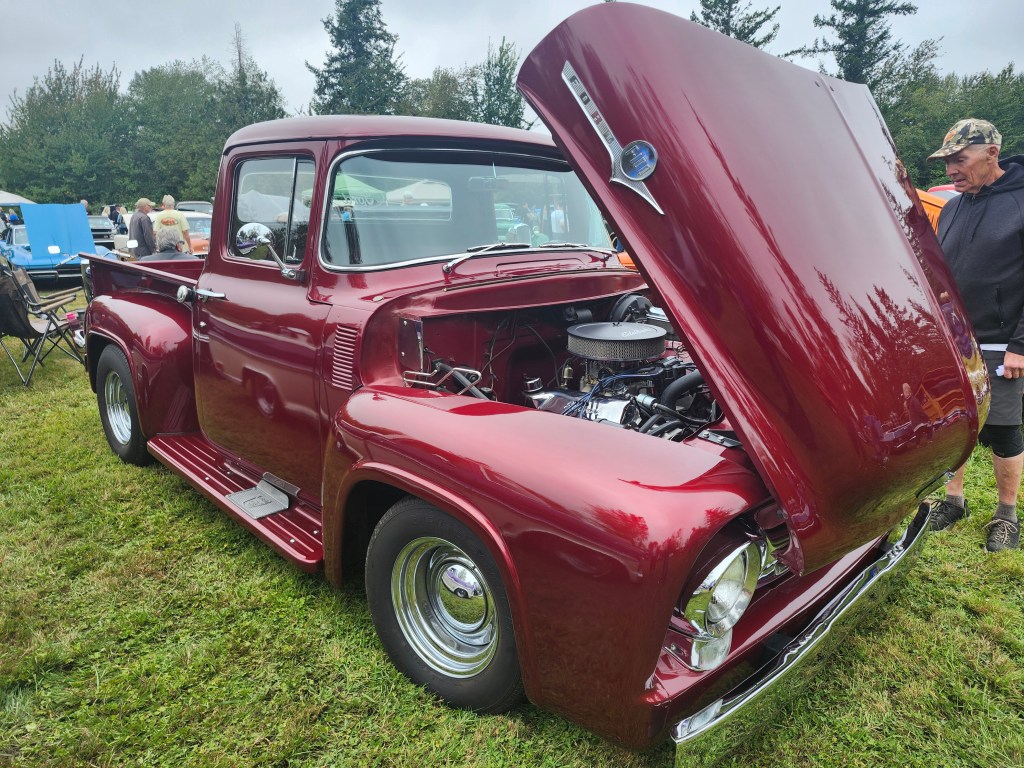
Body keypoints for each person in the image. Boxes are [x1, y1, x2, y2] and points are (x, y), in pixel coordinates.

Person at [928, 118, 1024, 551]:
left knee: (1003, 431)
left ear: (991, 153)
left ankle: (1006, 516)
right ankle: (954, 501)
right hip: (953, 343)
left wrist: (1020, 345)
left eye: (959, 159)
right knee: (953, 427)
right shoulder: (951, 208)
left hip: (1002, 344)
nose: (951, 170)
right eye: (947, 162)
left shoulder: (1020, 202)